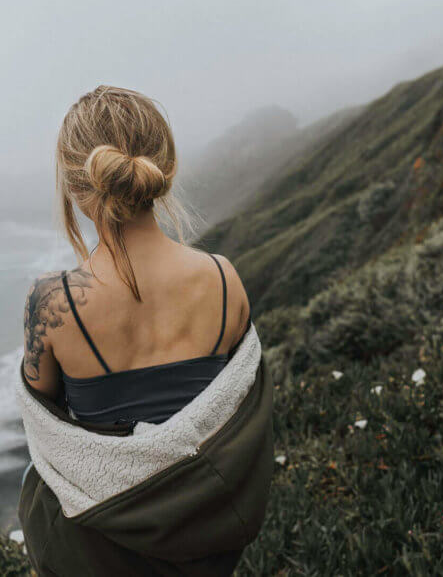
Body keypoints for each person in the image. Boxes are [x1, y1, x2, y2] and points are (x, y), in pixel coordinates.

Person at [17, 85, 273, 576]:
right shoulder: (224, 279)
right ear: (165, 170)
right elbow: (242, 410)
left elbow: (42, 417)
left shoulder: (53, 302)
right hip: (205, 542)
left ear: (75, 184)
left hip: (95, 549)